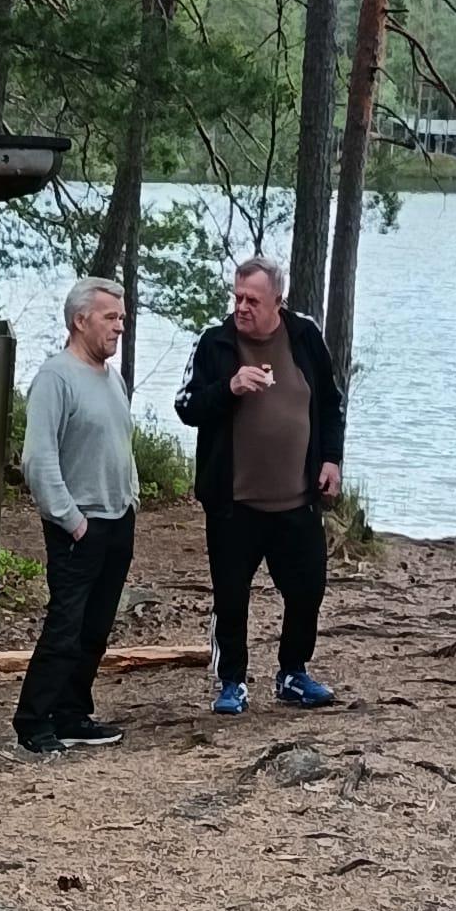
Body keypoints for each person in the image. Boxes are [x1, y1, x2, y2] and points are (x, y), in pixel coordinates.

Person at [175, 254, 344, 714]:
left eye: (252, 300)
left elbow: (330, 404)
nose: (242, 307)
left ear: (277, 302)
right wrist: (228, 388)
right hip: (234, 504)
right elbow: (186, 406)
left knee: (307, 590)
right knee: (231, 597)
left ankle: (293, 673)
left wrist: (331, 459)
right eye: (237, 297)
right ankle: (231, 681)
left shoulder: (304, 336)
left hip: (298, 500)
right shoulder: (215, 343)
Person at [13, 276, 139, 756]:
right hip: (78, 526)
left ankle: (71, 714)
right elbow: (38, 459)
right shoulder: (56, 378)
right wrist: (71, 519)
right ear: (80, 320)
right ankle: (33, 721)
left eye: (121, 318)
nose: (119, 327)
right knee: (65, 626)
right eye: (110, 317)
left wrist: (131, 498)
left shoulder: (112, 378)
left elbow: (120, 444)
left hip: (118, 518)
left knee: (95, 628)